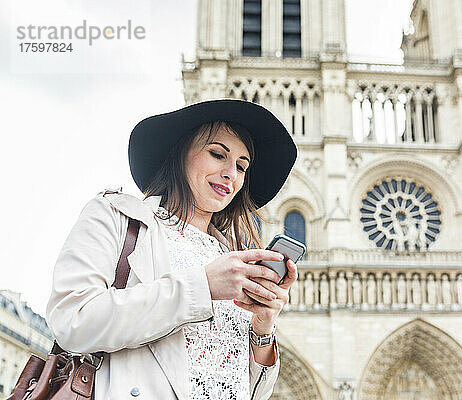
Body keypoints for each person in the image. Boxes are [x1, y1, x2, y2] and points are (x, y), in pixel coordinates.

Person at [46, 99, 299, 400]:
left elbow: (248, 390)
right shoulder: (116, 217)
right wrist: (201, 286)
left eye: (242, 167)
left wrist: (262, 327)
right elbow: (72, 321)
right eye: (218, 154)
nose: (232, 174)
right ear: (180, 153)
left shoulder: (231, 259)